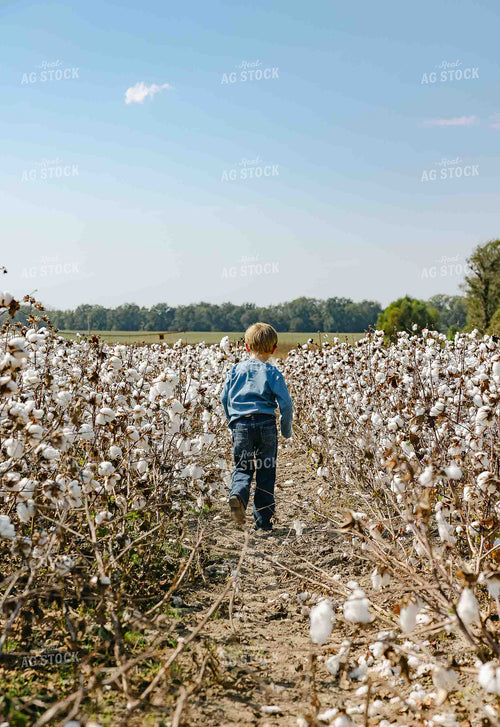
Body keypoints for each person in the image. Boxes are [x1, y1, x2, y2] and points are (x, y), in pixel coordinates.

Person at [220, 322, 293, 533]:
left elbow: (224, 397)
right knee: (265, 471)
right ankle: (263, 522)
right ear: (273, 348)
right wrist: (285, 430)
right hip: (266, 425)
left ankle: (238, 496)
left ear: (245, 346)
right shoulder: (272, 372)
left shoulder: (235, 370)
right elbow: (286, 404)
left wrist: (232, 421)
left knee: (242, 467)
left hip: (241, 425)